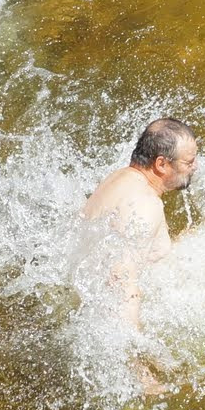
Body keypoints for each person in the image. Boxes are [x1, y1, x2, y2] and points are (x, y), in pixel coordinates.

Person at [75, 117, 198, 328]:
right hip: (104, 313)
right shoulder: (145, 204)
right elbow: (120, 280)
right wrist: (135, 353)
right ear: (161, 164)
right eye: (188, 162)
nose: (195, 167)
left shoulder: (122, 177)